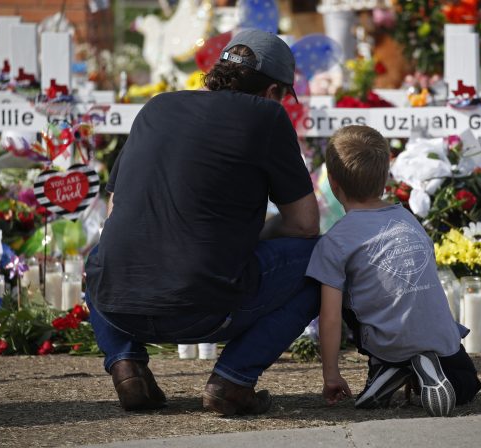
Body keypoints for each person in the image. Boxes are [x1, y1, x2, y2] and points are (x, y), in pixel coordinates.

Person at [84, 29, 321, 416]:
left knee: (103, 256)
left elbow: (114, 214)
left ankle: (127, 366)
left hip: (116, 305)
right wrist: (255, 240)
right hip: (203, 307)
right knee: (323, 261)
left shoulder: (156, 107)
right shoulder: (267, 116)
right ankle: (233, 380)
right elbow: (304, 224)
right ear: (275, 91)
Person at [305, 126, 481, 417]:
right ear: (386, 177)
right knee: (463, 388)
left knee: (348, 294)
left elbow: (331, 316)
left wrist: (331, 375)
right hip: (442, 338)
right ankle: (418, 367)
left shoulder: (336, 239)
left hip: (388, 340)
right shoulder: (409, 219)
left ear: (333, 184)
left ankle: (390, 367)